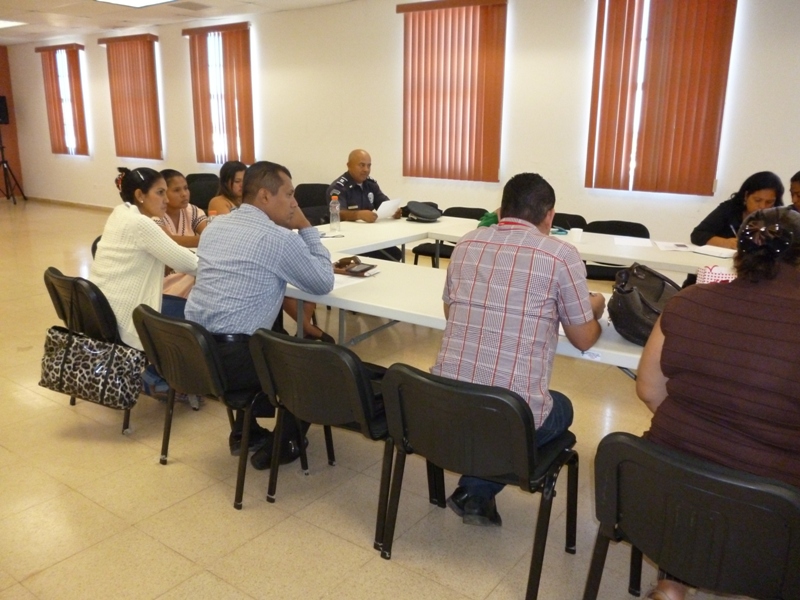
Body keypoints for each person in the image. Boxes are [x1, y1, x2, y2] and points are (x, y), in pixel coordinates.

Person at [636, 206, 800, 600]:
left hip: (663, 490)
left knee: (692, 468)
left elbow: (649, 390)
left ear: (739, 254)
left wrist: (702, 424)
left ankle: (672, 585)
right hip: (765, 512)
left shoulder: (687, 301)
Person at [431, 172, 606, 526]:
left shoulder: (466, 243)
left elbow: (451, 312)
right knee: (560, 408)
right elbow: (584, 338)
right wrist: (597, 308)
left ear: (501, 210)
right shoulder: (560, 255)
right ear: (549, 216)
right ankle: (475, 489)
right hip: (506, 415)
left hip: (442, 405)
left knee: (493, 409)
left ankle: (475, 490)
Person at [185, 161, 335, 462]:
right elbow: (322, 282)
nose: (294, 203)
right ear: (265, 196)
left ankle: (245, 432)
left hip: (196, 351)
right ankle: (285, 444)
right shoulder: (278, 239)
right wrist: (306, 228)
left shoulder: (215, 227)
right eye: (289, 194)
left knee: (267, 333)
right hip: (236, 361)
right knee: (322, 366)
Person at [91, 168, 198, 398]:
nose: (166, 199)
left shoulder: (120, 213)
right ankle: (157, 376)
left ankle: (163, 373)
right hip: (128, 314)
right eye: (160, 193)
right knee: (197, 313)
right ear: (140, 195)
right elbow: (191, 264)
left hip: (105, 309)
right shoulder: (142, 224)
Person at [327, 149, 403, 260]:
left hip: (370, 237)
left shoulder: (370, 184)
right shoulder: (338, 188)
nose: (366, 170)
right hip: (349, 240)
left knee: (395, 254)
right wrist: (358, 215)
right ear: (349, 165)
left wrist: (393, 211)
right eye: (361, 165)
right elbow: (338, 213)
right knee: (390, 257)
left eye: (369, 166)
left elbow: (383, 202)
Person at [690, 171, 784, 249]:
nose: (762, 206)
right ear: (746, 196)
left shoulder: (779, 216)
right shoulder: (730, 208)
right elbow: (697, 235)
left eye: (769, 202)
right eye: (757, 200)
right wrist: (725, 242)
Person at [154, 169, 207, 303]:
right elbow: (169, 241)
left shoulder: (192, 210)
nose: (184, 194)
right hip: (165, 277)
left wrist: (206, 238)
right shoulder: (155, 214)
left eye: (186, 188)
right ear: (163, 193)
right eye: (177, 190)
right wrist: (204, 240)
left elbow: (209, 233)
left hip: (191, 268)